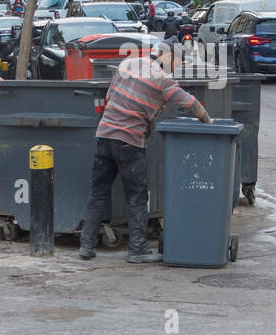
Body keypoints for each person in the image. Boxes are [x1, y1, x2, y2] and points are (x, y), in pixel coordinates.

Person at [79, 42, 212, 264]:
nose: (177, 67)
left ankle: (86, 245)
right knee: (137, 196)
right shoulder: (163, 80)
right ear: (167, 56)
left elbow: (110, 97)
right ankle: (138, 249)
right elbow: (191, 103)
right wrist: (209, 121)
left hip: (104, 135)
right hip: (129, 142)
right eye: (177, 61)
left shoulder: (128, 63)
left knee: (98, 193)